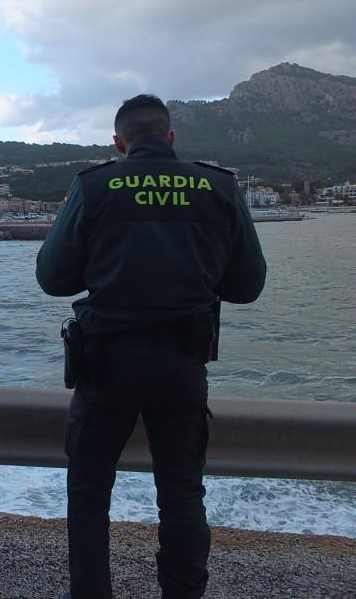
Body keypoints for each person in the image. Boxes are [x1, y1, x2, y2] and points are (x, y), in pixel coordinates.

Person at [36, 94, 266, 599]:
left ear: (119, 144)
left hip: (106, 365)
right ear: (171, 138)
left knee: (90, 494)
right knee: (182, 494)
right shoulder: (218, 185)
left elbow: (53, 279)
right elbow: (248, 287)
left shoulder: (94, 185)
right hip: (183, 363)